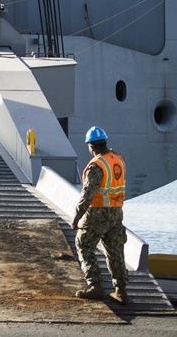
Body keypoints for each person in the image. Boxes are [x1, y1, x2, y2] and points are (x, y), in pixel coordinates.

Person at [71, 126, 128, 305]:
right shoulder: (119, 159)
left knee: (84, 244)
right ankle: (120, 291)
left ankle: (96, 286)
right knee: (115, 249)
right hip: (116, 212)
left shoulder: (96, 165)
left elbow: (87, 194)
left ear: (91, 146)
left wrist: (77, 217)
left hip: (97, 212)